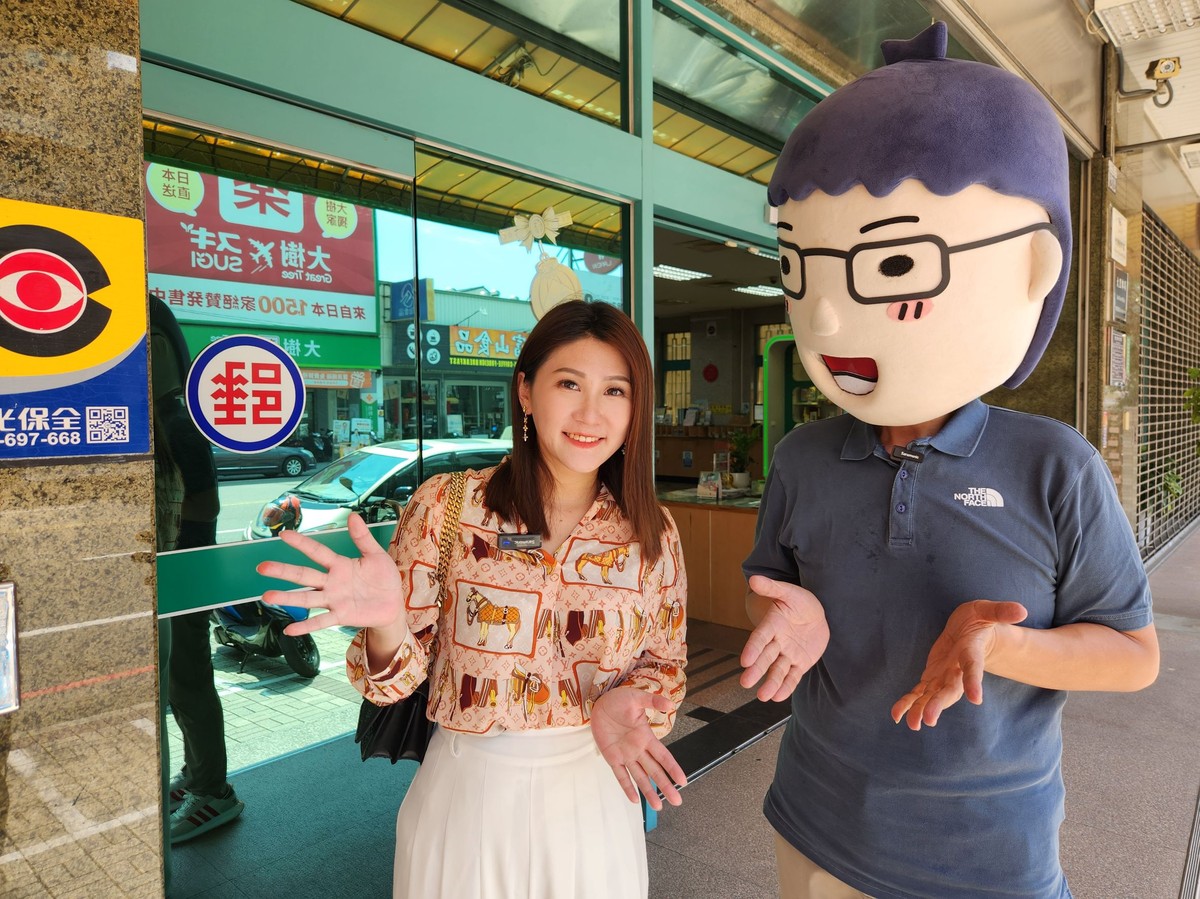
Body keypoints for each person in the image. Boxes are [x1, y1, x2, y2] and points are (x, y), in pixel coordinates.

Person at [739, 23, 1159, 899]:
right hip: (815, 822)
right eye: (803, 270)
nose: (825, 320)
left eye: (893, 263)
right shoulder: (803, 456)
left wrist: (1003, 645)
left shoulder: (1056, 464)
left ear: (1034, 265)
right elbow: (770, 581)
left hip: (987, 859)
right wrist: (786, 615)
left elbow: (1133, 654)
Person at [258, 299, 689, 899]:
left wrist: (633, 704)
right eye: (569, 383)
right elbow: (390, 686)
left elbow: (665, 665)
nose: (591, 412)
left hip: (595, 798)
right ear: (526, 392)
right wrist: (387, 624)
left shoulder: (652, 530)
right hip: (467, 798)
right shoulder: (448, 506)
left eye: (615, 391)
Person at [149, 297, 244, 848]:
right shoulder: (159, 415)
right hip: (172, 567)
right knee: (179, 681)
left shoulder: (177, 418)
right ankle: (197, 773)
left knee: (188, 678)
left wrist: (177, 554)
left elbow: (205, 502)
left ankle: (214, 790)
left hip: (181, 568)